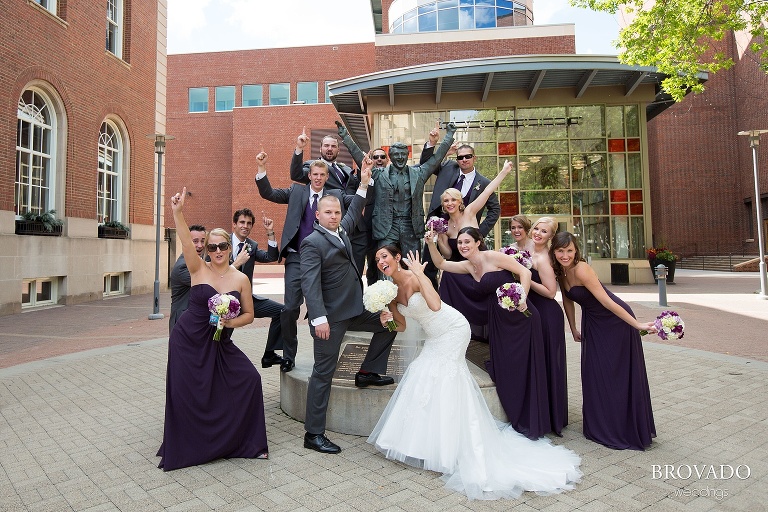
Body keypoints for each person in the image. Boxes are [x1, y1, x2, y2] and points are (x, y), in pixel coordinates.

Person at [368, 245, 581, 500]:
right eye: (377, 259)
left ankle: (450, 447)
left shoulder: (414, 277)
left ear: (397, 258)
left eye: (384, 256)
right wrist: (387, 320)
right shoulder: (390, 293)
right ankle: (426, 443)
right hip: (435, 336)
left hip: (453, 328)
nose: (381, 261)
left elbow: (435, 305)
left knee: (442, 375)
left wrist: (421, 275)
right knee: (421, 372)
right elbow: (401, 326)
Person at [158, 187, 267, 471]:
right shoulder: (198, 269)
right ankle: (191, 446)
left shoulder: (240, 279)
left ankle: (242, 442)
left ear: (230, 248)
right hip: (188, 340)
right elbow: (185, 241)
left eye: (222, 246)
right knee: (189, 393)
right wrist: (178, 212)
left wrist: (229, 322)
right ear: (206, 250)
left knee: (250, 379)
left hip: (219, 342)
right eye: (212, 247)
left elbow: (249, 315)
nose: (217, 251)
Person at [301, 158, 397, 455]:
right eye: (328, 212)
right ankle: (313, 434)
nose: (334, 216)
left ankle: (368, 371)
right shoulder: (312, 242)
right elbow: (309, 284)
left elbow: (355, 209)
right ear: (318, 214)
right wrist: (318, 318)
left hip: (354, 310)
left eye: (337, 212)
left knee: (389, 324)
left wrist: (364, 182)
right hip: (330, 319)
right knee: (323, 373)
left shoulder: (341, 231)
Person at [426, 226, 552, 440]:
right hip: (498, 320)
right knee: (506, 365)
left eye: (467, 241)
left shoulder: (493, 257)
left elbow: (525, 272)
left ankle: (532, 417)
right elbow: (441, 264)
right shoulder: (468, 265)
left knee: (524, 364)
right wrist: (431, 243)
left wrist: (521, 296)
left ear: (478, 242)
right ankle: (515, 412)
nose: (463, 246)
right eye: (460, 242)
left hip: (521, 316)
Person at [550, 231, 656, 450]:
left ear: (576, 250)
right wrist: (573, 327)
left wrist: (636, 325)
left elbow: (607, 301)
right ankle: (601, 424)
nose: (565, 255)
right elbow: (567, 301)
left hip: (613, 321)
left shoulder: (582, 269)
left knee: (613, 373)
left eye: (569, 250)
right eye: (560, 251)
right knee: (594, 373)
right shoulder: (560, 271)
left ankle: (620, 428)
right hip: (593, 322)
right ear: (554, 252)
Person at [255, 152, 349, 373]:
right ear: (309, 175)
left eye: (322, 175)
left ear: (327, 177)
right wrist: (261, 168)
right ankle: (289, 356)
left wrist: (365, 183)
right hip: (297, 257)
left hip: (326, 260)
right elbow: (269, 193)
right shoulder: (296, 192)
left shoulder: (334, 196)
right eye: (314, 174)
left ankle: (324, 358)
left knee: (325, 309)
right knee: (289, 308)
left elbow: (355, 202)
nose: (318, 178)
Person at [337, 121, 458, 257]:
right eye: (396, 154)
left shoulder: (418, 173)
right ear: (390, 156)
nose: (400, 157)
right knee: (385, 260)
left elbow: (436, 158)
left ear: (407, 155)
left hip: (410, 226)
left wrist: (449, 135)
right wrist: (346, 137)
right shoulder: (379, 175)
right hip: (386, 226)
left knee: (412, 262)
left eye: (403, 154)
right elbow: (360, 158)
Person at [420, 123, 501, 289]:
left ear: (474, 158)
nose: (464, 160)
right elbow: (426, 165)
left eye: (468, 156)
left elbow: (495, 210)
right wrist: (434, 145)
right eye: (460, 157)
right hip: (440, 230)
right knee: (429, 267)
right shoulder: (448, 167)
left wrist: (479, 232)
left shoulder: (483, 182)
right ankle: (433, 299)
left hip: (467, 235)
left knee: (471, 270)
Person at [290, 128, 370, 274]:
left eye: (333, 146)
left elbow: (361, 189)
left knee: (356, 274)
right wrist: (299, 149)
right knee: (335, 272)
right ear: (320, 148)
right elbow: (296, 174)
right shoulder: (314, 167)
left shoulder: (346, 169)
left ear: (338, 150)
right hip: (334, 225)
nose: (329, 149)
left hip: (358, 228)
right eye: (326, 145)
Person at [229, 208, 286, 369]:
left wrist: (270, 233)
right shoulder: (222, 242)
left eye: (249, 223)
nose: (245, 226)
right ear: (234, 224)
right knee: (220, 338)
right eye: (242, 222)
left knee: (282, 311)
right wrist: (236, 263)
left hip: (247, 301)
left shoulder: (251, 246)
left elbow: (271, 257)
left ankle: (269, 354)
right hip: (224, 302)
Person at [528, 216, 568, 435]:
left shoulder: (544, 259)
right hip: (534, 312)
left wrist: (526, 277)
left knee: (548, 363)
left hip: (547, 315)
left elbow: (551, 292)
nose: (538, 233)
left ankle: (552, 417)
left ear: (551, 236)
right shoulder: (526, 250)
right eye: (537, 228)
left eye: (544, 231)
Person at [169, 224, 206, 333]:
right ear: (186, 242)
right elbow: (206, 283)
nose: (200, 245)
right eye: (195, 241)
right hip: (183, 324)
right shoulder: (183, 266)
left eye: (203, 241)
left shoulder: (199, 261)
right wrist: (235, 265)